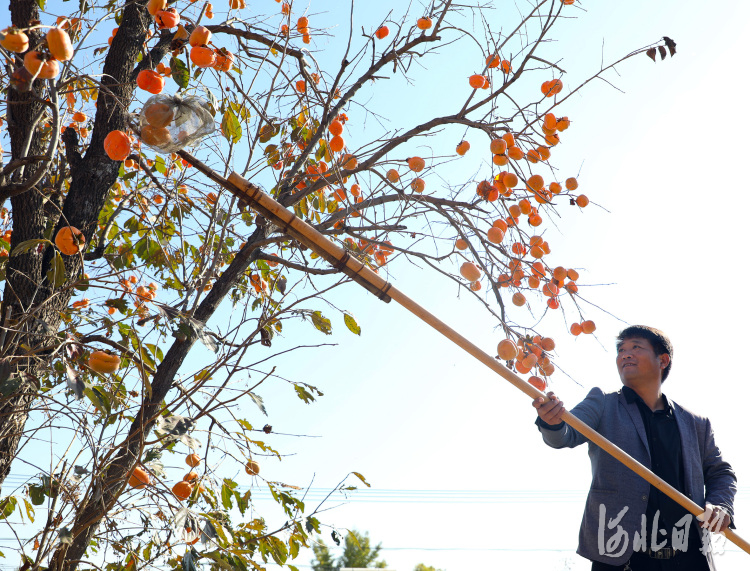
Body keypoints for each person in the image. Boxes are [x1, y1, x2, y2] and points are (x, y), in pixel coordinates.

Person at [532, 325, 736, 570]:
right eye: (621, 349)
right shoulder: (602, 403)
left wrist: (720, 506)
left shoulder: (696, 424)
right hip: (620, 559)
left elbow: (721, 473)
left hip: (690, 559)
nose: (624, 354)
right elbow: (567, 434)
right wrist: (552, 422)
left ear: (663, 360)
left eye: (636, 347)